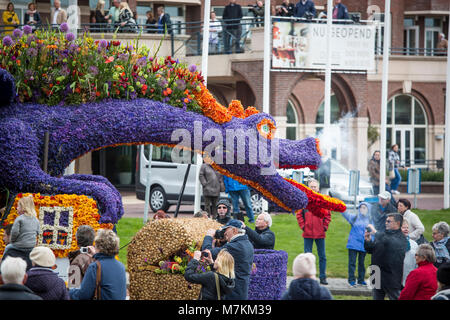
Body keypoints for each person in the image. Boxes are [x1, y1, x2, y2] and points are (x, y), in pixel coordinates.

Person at [202, 219, 254, 300]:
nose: (224, 233)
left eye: (226, 230)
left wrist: (208, 236)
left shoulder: (235, 246)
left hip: (233, 293)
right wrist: (212, 264)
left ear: (234, 230)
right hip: (240, 291)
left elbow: (207, 252)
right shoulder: (247, 243)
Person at [69, 229, 127, 300]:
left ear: (98, 247)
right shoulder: (121, 266)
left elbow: (83, 295)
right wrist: (96, 256)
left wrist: (68, 292)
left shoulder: (95, 267)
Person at [364, 213, 408, 300]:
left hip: (391, 276)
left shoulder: (401, 238)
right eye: (386, 221)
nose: (386, 223)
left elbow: (389, 242)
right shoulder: (383, 234)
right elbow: (371, 249)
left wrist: (375, 232)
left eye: (389, 221)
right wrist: (368, 240)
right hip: (376, 274)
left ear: (398, 223)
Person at [296, 178, 331, 285]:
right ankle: (308, 278)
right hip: (307, 233)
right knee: (307, 257)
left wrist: (324, 227)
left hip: (320, 233)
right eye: (311, 186)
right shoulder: (304, 199)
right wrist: (303, 226)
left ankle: (322, 277)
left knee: (322, 256)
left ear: (318, 188)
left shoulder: (323, 199)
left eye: (315, 186)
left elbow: (328, 215)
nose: (313, 188)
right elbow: (299, 214)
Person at [340, 202, 371, 287]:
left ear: (368, 209)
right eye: (361, 207)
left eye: (364, 207)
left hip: (364, 245)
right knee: (352, 263)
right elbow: (345, 214)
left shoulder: (370, 220)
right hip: (353, 244)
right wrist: (339, 205)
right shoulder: (354, 218)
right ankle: (351, 281)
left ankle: (361, 280)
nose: (362, 209)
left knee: (361, 263)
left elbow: (373, 232)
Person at [3, 195, 39, 262]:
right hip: (31, 246)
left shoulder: (19, 219)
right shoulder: (35, 219)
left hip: (20, 245)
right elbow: (38, 232)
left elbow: (14, 232)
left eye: (18, 206)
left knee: (8, 247)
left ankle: (3, 264)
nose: (17, 208)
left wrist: (12, 241)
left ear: (23, 207)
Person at [401, 219, 418, 287]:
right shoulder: (393, 242)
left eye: (407, 227)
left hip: (410, 274)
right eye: (403, 227)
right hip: (397, 277)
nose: (406, 229)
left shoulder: (414, 244)